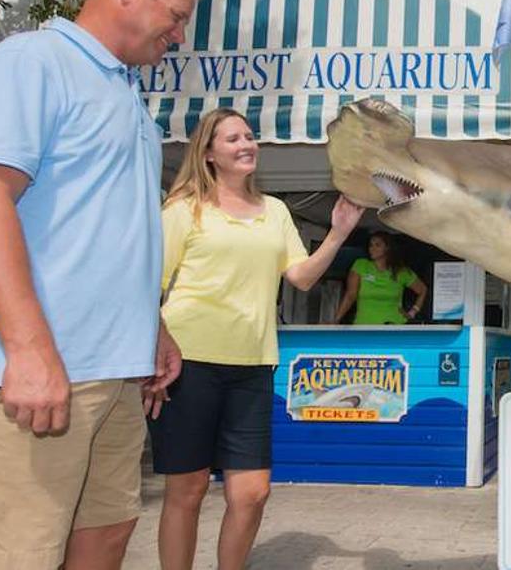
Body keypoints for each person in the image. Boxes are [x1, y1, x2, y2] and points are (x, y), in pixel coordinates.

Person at [0, 0, 194, 570]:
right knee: (18, 556)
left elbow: (102, 230)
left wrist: (152, 328)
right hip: (35, 373)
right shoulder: (32, 61)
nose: (179, 36)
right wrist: (29, 350)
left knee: (105, 538)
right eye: (176, 16)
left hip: (112, 372)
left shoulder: (128, 95)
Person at [151, 107, 362, 570]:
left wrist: (339, 230)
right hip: (188, 363)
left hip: (253, 365)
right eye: (232, 139)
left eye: (249, 136)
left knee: (252, 492)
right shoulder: (183, 210)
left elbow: (302, 277)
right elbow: (150, 287)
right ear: (208, 154)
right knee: (187, 490)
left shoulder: (276, 211)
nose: (247, 144)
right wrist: (156, 350)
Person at [332, 231, 428, 325]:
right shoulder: (361, 265)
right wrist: (336, 320)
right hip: (364, 326)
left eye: (377, 245)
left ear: (387, 248)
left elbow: (423, 290)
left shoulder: (401, 272)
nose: (372, 248)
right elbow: (350, 295)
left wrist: (412, 312)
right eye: (371, 245)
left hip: (393, 326)